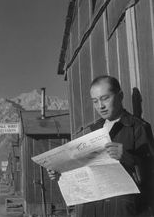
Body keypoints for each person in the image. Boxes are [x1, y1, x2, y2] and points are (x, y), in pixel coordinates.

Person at [47, 75, 154, 217]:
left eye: (105, 98)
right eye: (95, 101)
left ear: (120, 96)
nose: (100, 106)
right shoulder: (91, 131)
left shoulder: (138, 128)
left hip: (122, 210)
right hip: (91, 209)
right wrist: (60, 171)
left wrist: (128, 158)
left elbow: (150, 175)